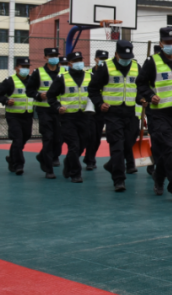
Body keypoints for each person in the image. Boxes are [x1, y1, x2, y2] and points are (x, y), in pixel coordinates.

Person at [136, 27, 172, 201]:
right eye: (167, 42)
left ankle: (158, 177)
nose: (171, 45)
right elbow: (141, 83)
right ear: (161, 43)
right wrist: (150, 96)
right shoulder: (152, 62)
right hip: (159, 114)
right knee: (168, 147)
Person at [87, 40, 140, 193]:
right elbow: (93, 88)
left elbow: (142, 86)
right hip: (113, 113)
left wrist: (144, 97)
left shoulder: (137, 67)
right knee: (117, 146)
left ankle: (112, 165)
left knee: (128, 144)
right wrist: (99, 103)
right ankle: (119, 180)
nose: (126, 60)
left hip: (131, 113)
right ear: (116, 54)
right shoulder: (106, 67)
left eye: (128, 57)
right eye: (123, 57)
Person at [45, 50, 93, 183]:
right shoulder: (62, 78)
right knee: (74, 145)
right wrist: (58, 107)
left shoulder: (90, 76)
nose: (79, 63)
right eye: (75, 61)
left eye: (80, 60)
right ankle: (75, 173)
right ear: (70, 63)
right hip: (68, 118)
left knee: (83, 144)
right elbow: (51, 96)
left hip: (85, 116)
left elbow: (97, 92)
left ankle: (68, 162)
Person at [0, 56, 35, 175]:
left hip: (28, 115)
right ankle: (18, 165)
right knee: (17, 139)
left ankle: (12, 158)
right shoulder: (9, 81)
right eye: (23, 67)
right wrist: (6, 101)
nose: (26, 69)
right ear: (16, 68)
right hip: (13, 116)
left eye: (27, 67)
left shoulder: (33, 81)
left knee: (25, 137)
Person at [28, 47, 63, 178]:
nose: (54, 58)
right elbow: (29, 90)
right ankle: (49, 170)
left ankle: (43, 156)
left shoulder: (64, 72)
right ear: (45, 57)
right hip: (44, 110)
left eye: (56, 55)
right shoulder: (38, 72)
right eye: (51, 56)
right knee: (48, 138)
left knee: (58, 139)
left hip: (60, 110)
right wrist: (38, 95)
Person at [83, 49, 109, 171]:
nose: (102, 61)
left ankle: (90, 157)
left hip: (102, 109)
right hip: (89, 109)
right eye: (100, 58)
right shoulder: (88, 74)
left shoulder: (109, 74)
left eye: (105, 59)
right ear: (95, 59)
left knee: (97, 136)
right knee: (90, 135)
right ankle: (90, 160)